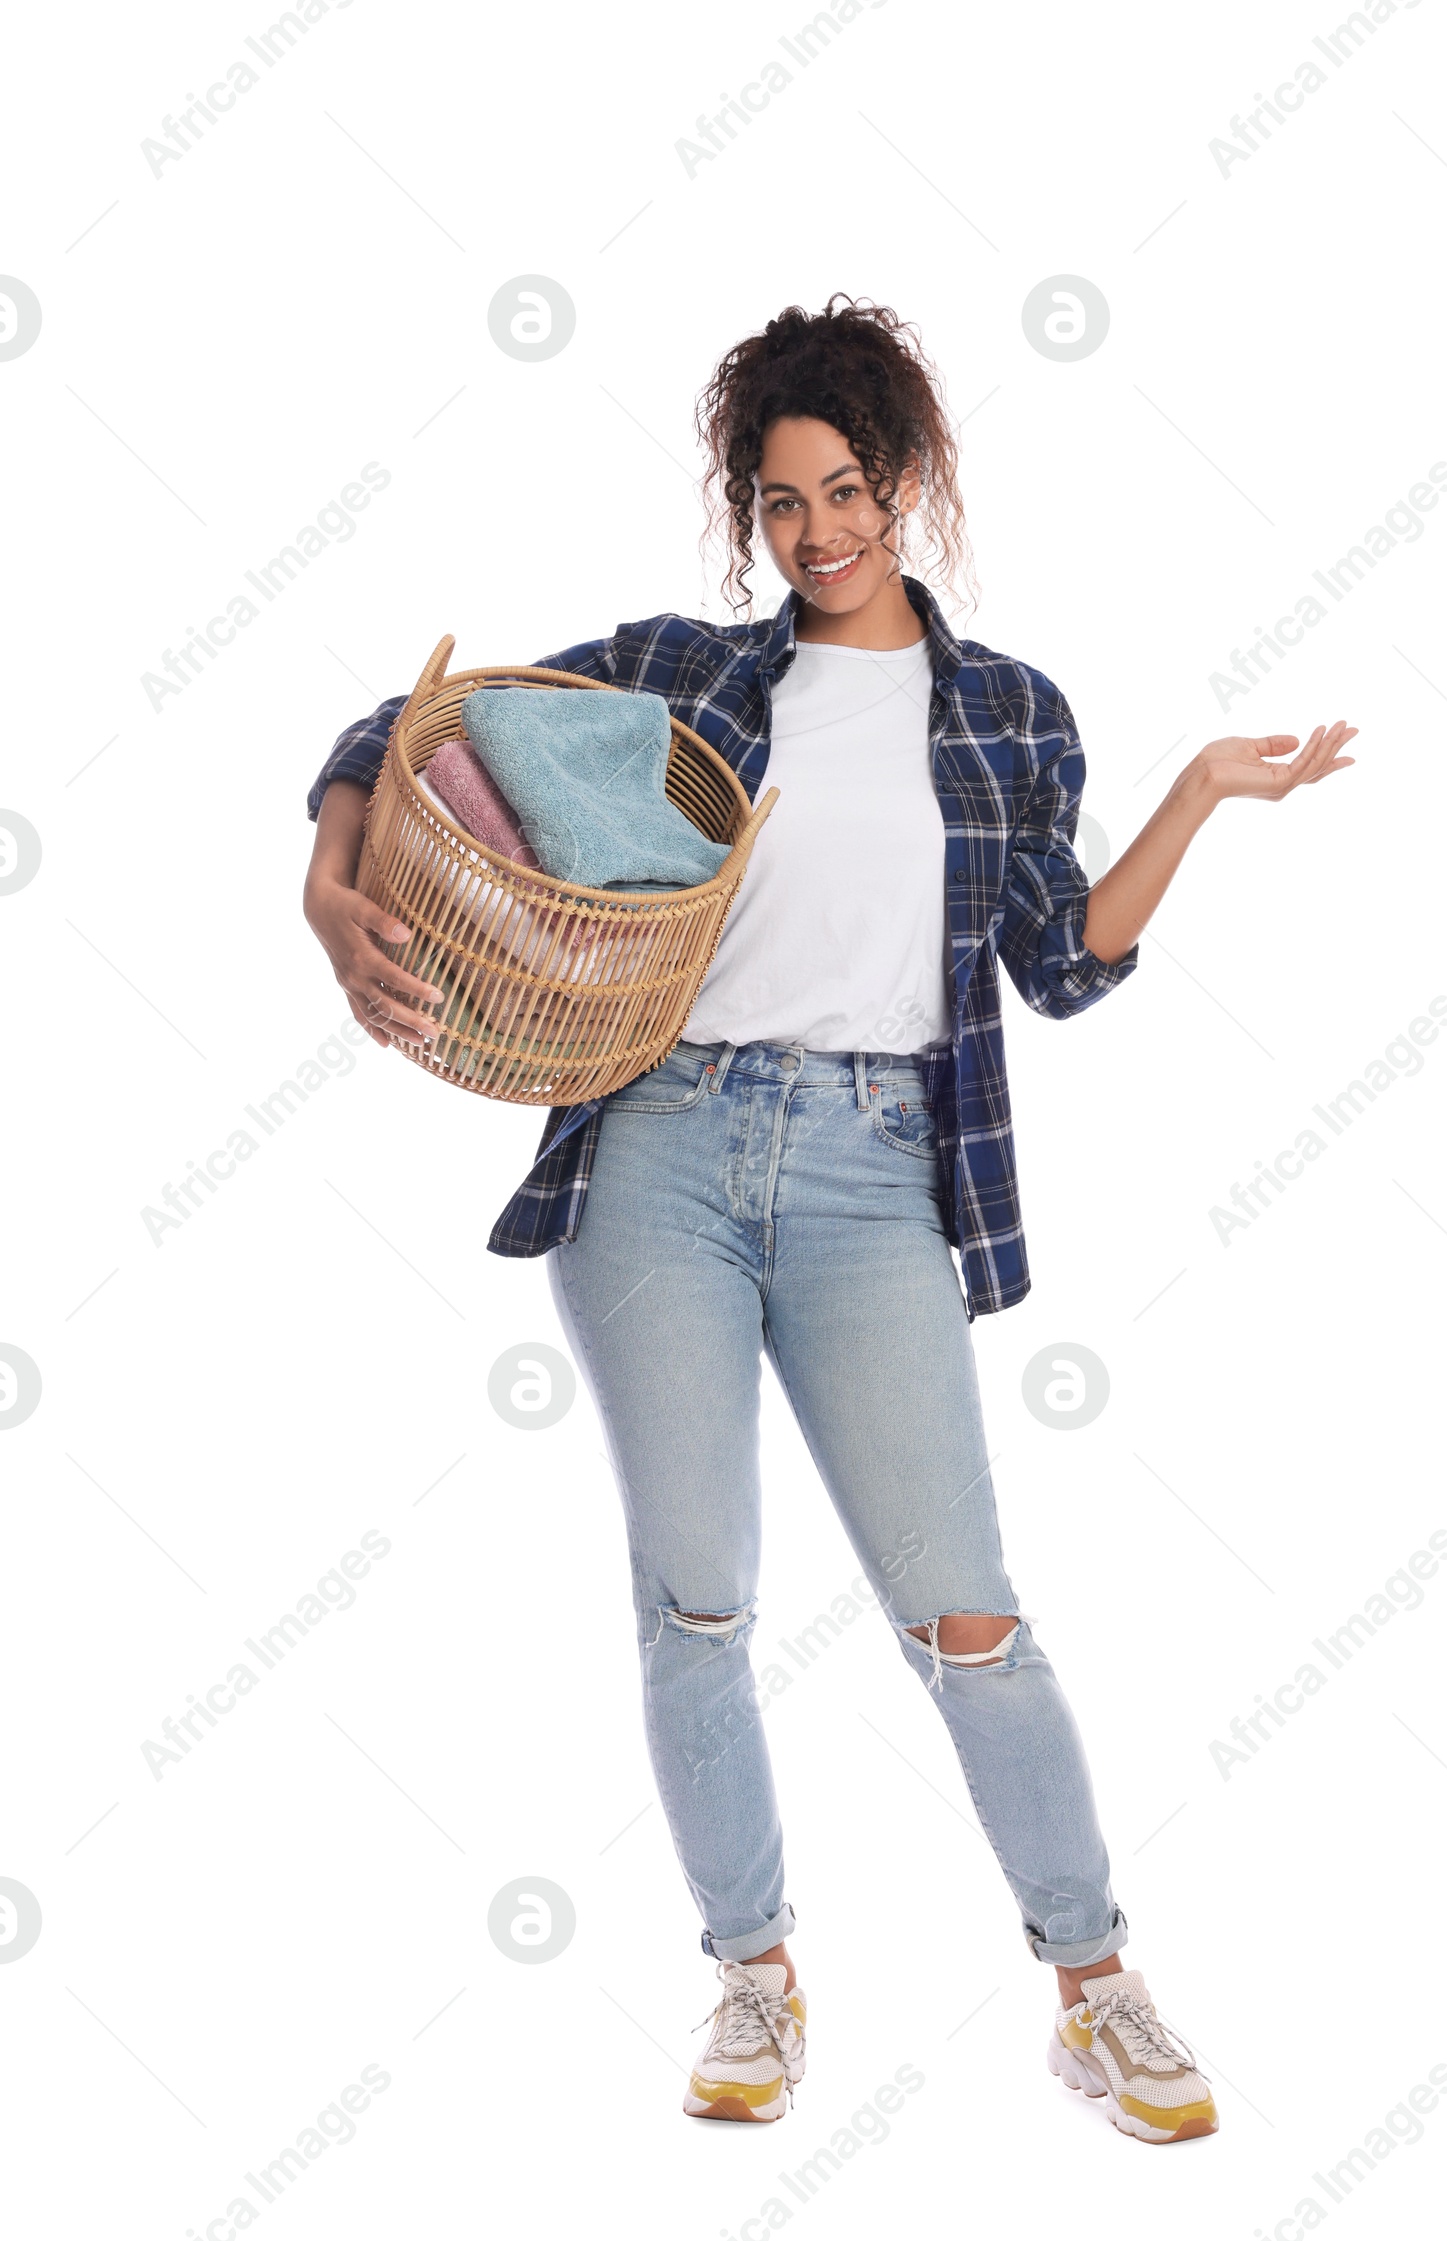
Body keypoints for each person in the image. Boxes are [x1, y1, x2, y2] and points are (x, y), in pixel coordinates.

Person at [304, 297, 1355, 2145]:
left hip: (880, 1174)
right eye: (783, 501)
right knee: (695, 1598)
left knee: (969, 1620)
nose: (819, 533)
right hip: (662, 1156)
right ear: (751, 515)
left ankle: (1094, 1980)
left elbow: (1059, 966)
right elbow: (412, 725)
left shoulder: (1013, 713)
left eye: (849, 489)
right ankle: (752, 1970)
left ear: (910, 482)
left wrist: (1195, 794)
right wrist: (331, 882)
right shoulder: (684, 677)